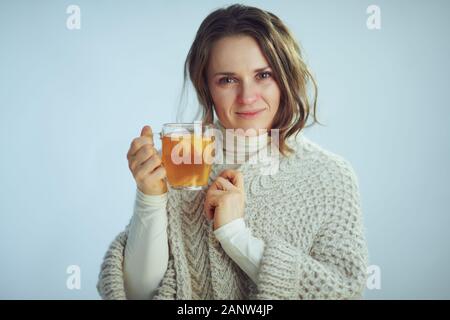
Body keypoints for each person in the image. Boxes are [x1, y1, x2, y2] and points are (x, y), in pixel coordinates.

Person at [97, 4, 369, 300]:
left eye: (263, 75)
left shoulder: (330, 177)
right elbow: (137, 295)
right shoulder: (183, 163)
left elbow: (343, 292)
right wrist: (150, 198)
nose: (247, 97)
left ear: (285, 77)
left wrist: (234, 235)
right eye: (227, 80)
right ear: (207, 88)